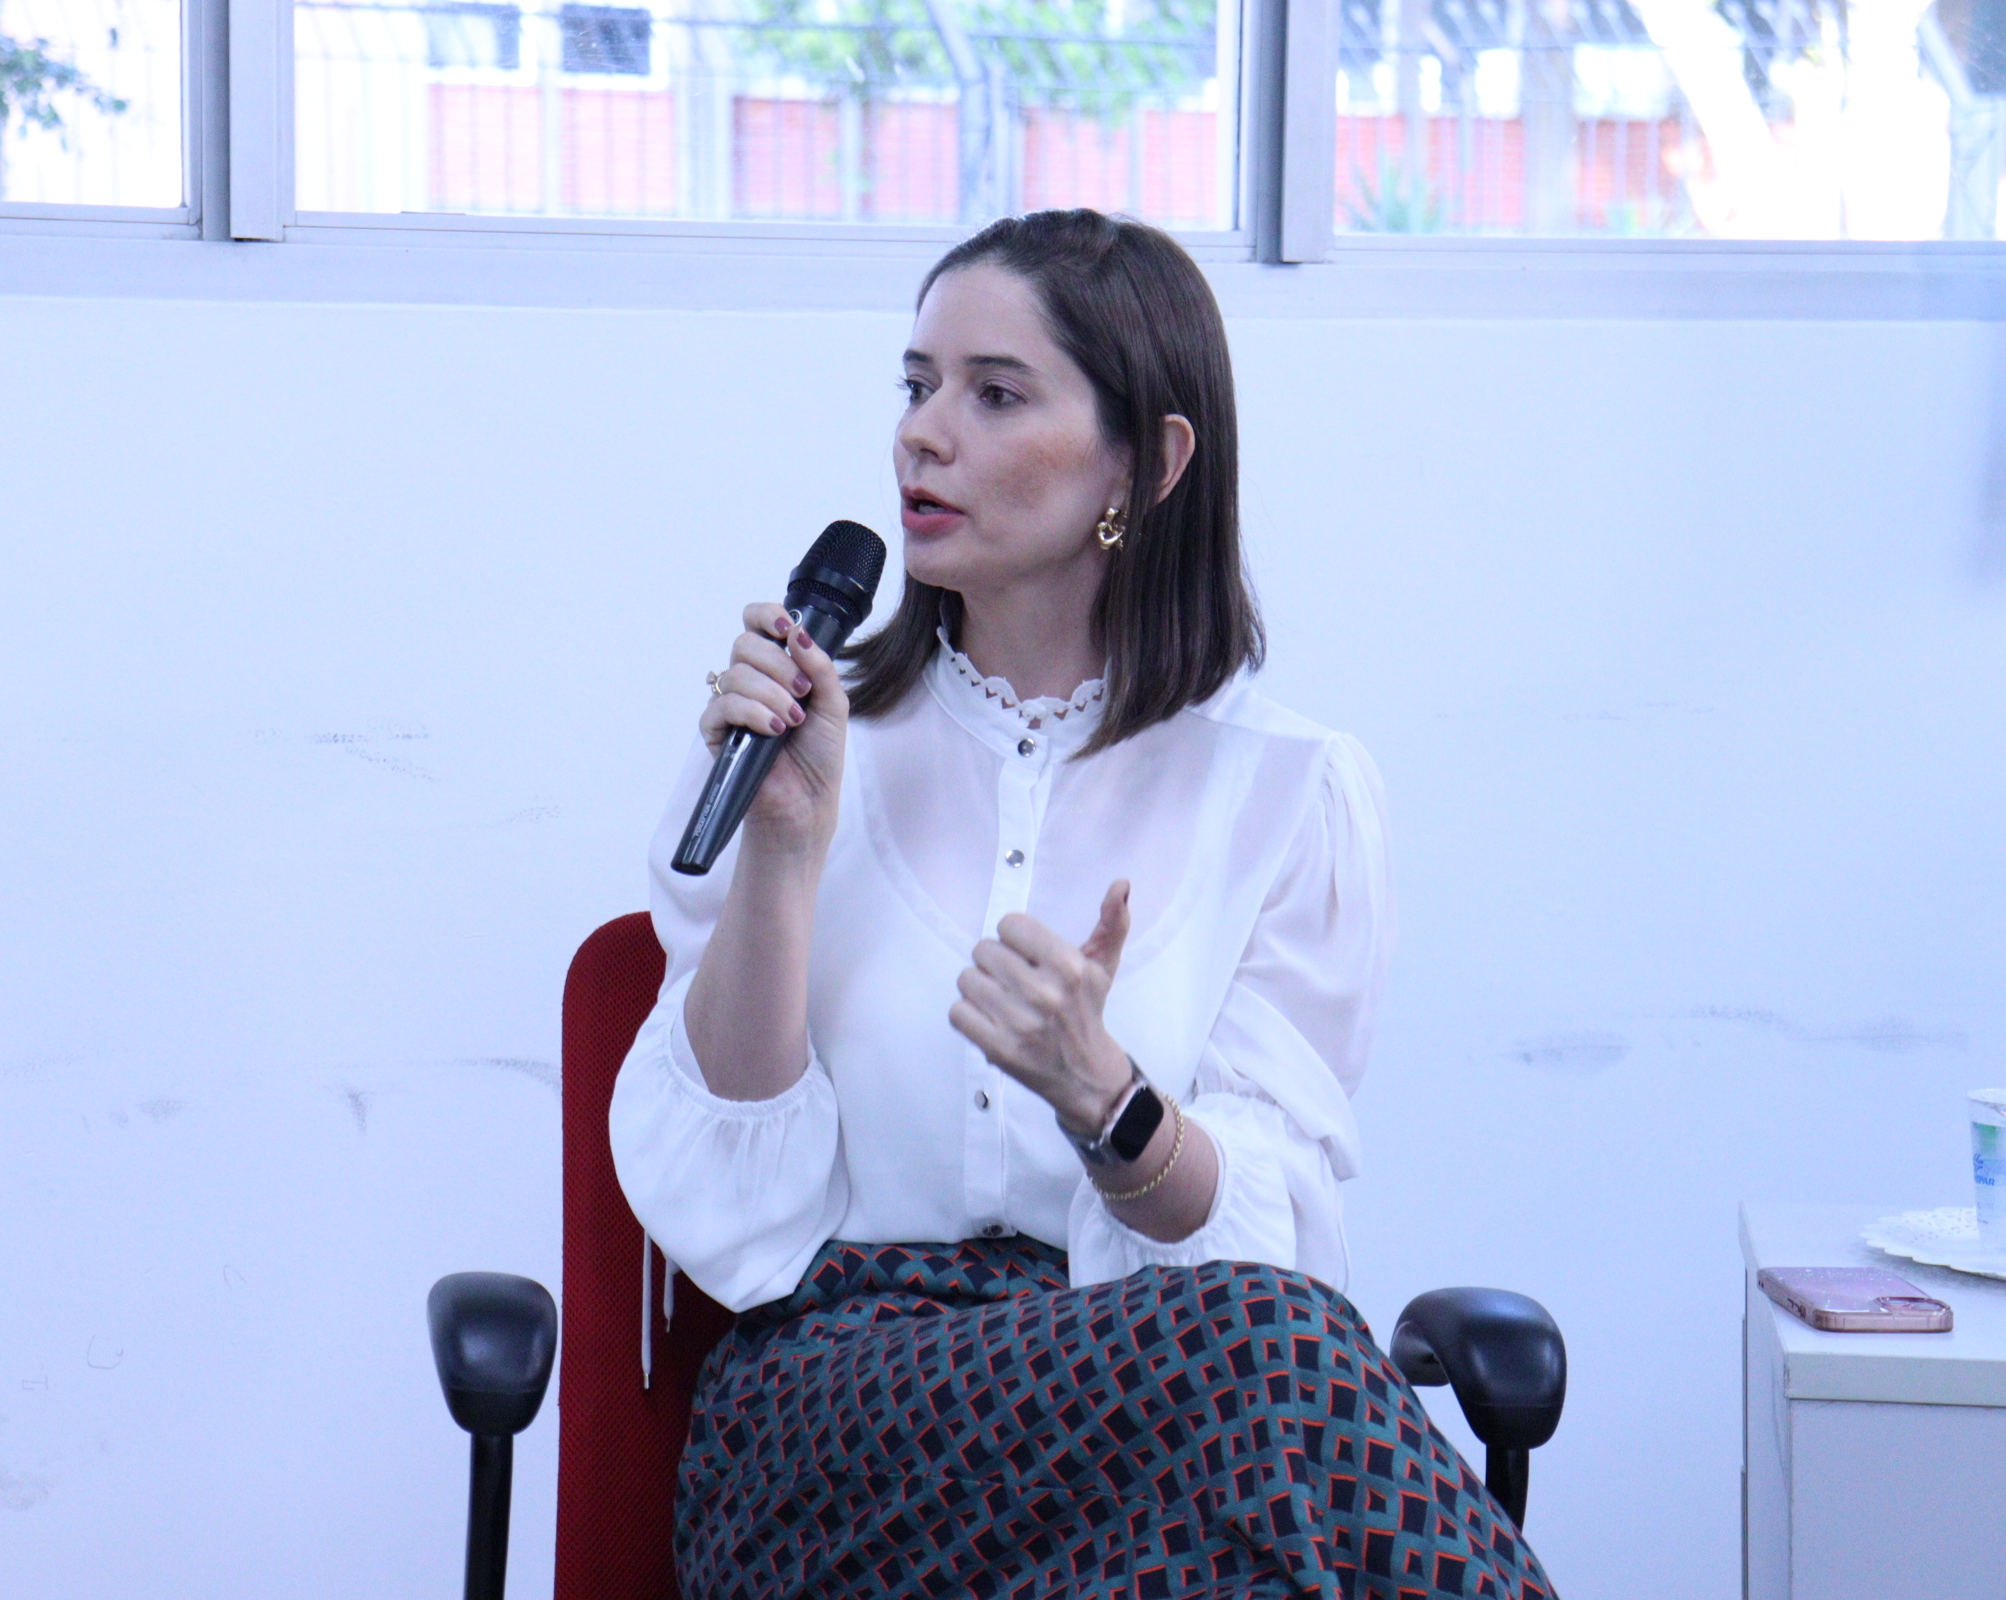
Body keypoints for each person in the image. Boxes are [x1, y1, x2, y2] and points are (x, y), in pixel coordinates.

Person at [610, 209, 1558, 1600]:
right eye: (917, 385)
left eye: (995, 395)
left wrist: (1109, 1103)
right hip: (837, 1433)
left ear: (1148, 463)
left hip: (1161, 1447)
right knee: (1266, 1360)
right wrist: (786, 852)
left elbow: (1271, 1249)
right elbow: (732, 1220)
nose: (924, 435)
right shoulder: (805, 744)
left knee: (1248, 1519)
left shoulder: (1287, 794)